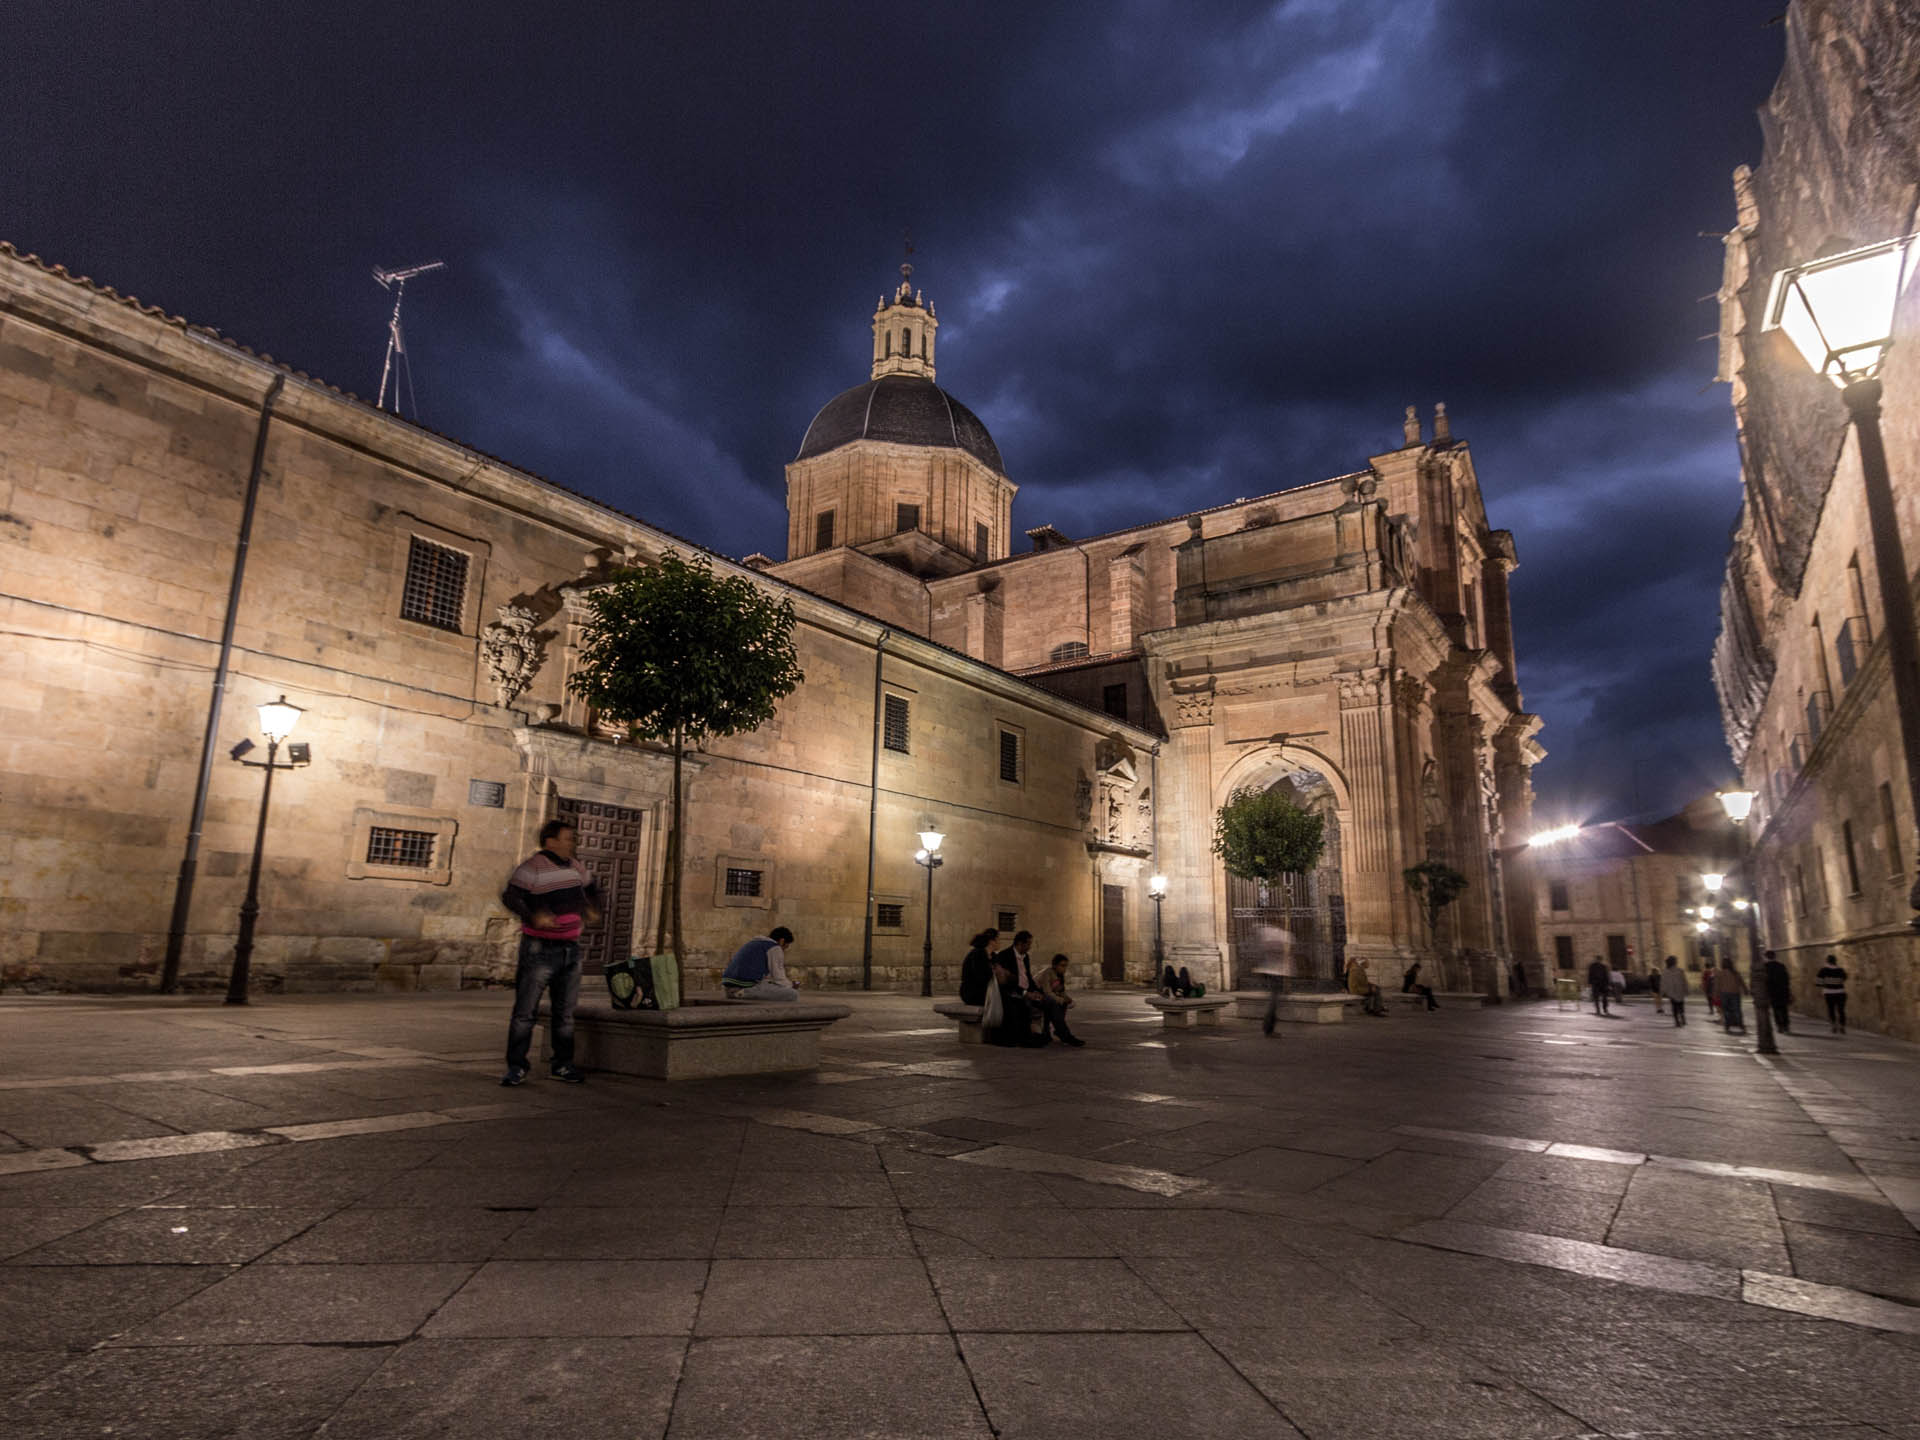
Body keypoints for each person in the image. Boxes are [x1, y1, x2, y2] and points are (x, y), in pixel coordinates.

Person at [499, 818, 602, 1086]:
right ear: (551, 841)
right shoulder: (532, 867)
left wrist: (592, 907)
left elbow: (592, 889)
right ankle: (517, 1067)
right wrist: (534, 916)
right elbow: (510, 896)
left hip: (570, 950)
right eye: (568, 838)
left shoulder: (575, 867)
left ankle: (562, 1065)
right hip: (539, 949)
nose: (573, 843)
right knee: (526, 1012)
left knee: (565, 1014)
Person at [722, 926, 800, 1001]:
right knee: (793, 994)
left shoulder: (754, 943)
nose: (784, 950)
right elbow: (778, 977)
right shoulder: (775, 947)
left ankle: (739, 993)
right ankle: (742, 994)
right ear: (782, 941)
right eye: (785, 947)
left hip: (729, 988)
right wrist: (791, 986)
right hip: (743, 988)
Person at [1039, 953, 1086, 1046]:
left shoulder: (1059, 975)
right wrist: (1060, 1000)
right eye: (1062, 966)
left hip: (1047, 999)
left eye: (1066, 966)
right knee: (1054, 1003)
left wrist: (1067, 999)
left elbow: (1060, 991)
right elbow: (1047, 992)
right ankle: (1064, 1034)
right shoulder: (1048, 973)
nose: (1064, 968)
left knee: (1060, 1003)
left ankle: (1056, 1030)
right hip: (1038, 997)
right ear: (1055, 965)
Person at [960, 928, 999, 1006]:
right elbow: (980, 976)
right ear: (991, 941)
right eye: (997, 940)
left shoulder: (993, 955)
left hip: (987, 990)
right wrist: (994, 971)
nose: (999, 943)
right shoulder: (977, 954)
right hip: (972, 992)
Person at [1816, 953, 1848, 1034]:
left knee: (1831, 1010)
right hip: (1840, 992)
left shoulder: (1823, 970)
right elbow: (1844, 978)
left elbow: (1818, 982)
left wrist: (1826, 983)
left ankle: (1833, 1026)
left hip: (1829, 993)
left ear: (1827, 961)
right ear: (1835, 961)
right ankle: (1842, 1026)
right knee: (1841, 1010)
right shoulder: (1840, 970)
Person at [1763, 950, 1793, 1034]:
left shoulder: (1765, 966)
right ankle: (1786, 1026)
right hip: (1783, 990)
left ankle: (1779, 1026)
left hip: (1772, 991)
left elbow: (1764, 980)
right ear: (1774, 956)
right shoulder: (1781, 965)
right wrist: (1788, 989)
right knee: (1784, 1009)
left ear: (1766, 957)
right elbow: (1786, 978)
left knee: (1775, 1009)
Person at [1715, 959, 1747, 1033]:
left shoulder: (1720, 973)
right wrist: (1745, 990)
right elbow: (1741, 981)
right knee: (1737, 1010)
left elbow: (1717, 985)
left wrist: (1716, 994)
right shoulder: (1735, 973)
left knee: (1726, 1010)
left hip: (1724, 993)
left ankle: (1727, 1025)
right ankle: (1740, 1024)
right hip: (1735, 993)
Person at [1659, 955, 1689, 1027]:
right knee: (1680, 1005)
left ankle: (1677, 1021)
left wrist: (1662, 992)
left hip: (1672, 992)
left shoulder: (1665, 972)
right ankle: (1682, 1018)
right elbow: (1684, 981)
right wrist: (1686, 989)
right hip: (1679, 991)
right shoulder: (1680, 970)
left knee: (1675, 1007)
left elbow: (1663, 983)